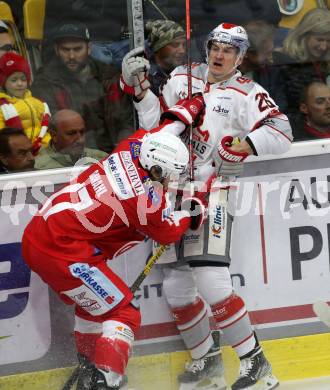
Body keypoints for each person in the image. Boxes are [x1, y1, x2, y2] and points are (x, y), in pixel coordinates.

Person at [121, 22, 293, 390]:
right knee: (177, 289)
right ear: (207, 47)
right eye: (216, 47)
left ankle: (255, 363)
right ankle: (207, 361)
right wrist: (140, 91)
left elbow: (282, 131)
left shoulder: (248, 91)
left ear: (241, 56)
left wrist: (244, 144)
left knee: (212, 281)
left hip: (213, 190)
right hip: (171, 190)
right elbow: (155, 124)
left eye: (229, 51)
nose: (220, 55)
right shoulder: (182, 76)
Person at [22, 98, 207, 390]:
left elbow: (165, 129)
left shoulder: (132, 147)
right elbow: (168, 231)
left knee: (94, 307)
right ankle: (105, 380)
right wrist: (193, 212)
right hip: (63, 251)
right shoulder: (144, 201)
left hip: (39, 235)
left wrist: (189, 109)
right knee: (123, 312)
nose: (171, 182)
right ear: (156, 171)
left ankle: (89, 369)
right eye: (169, 176)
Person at [31, 21, 133, 153]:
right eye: (65, 50)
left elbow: (126, 122)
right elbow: (51, 129)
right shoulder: (45, 82)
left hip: (111, 155)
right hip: (68, 157)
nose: (71, 56)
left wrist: (121, 152)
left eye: (78, 49)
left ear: (89, 48)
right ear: (56, 50)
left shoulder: (108, 77)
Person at [275, 8, 330, 113]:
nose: (324, 47)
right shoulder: (284, 63)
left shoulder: (321, 63)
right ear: (304, 36)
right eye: (319, 39)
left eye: (329, 41)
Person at [0, 52, 51, 152]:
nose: (19, 84)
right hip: (20, 153)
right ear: (4, 83)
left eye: (23, 79)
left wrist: (47, 144)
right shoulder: (2, 107)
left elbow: (47, 127)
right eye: (14, 80)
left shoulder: (38, 103)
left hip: (45, 149)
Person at [240, 20, 288, 112]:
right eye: (266, 53)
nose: (271, 58)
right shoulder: (223, 76)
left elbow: (280, 104)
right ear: (246, 52)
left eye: (271, 51)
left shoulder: (272, 71)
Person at [35, 109, 107, 169]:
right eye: (71, 133)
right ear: (54, 136)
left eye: (82, 132)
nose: (80, 140)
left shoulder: (101, 158)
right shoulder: (38, 167)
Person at [144, 19, 186, 96]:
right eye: (175, 45)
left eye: (184, 45)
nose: (182, 51)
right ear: (159, 47)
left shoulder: (186, 71)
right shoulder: (146, 79)